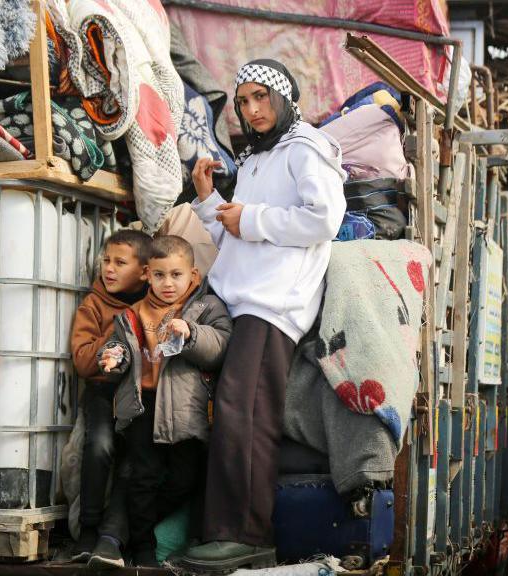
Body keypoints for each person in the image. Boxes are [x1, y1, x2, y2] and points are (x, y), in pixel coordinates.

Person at [180, 59, 346, 573]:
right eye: (243, 101)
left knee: (245, 411)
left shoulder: (306, 148)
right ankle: (224, 529)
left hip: (274, 305)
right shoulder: (256, 158)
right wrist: (211, 204)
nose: (251, 110)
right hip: (242, 299)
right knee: (229, 412)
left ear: (284, 97)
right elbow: (239, 234)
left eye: (260, 98)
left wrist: (247, 217)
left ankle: (247, 535)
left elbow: (324, 219)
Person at [94, 235, 232, 568]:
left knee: (184, 479)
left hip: (184, 408)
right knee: (143, 477)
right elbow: (122, 347)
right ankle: (142, 548)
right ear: (147, 275)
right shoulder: (133, 314)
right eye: (159, 275)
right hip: (143, 405)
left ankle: (128, 529)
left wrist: (192, 332)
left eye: (176, 275)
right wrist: (113, 357)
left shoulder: (206, 307)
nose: (167, 283)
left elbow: (221, 345)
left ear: (193, 276)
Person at [69, 230, 152, 563]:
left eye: (120, 262)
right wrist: (121, 326)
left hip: (140, 394)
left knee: (136, 460)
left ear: (144, 271)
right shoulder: (94, 304)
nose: (109, 269)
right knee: (100, 446)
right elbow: (84, 361)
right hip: (102, 390)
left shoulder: (154, 302)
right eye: (106, 261)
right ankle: (87, 530)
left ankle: (115, 536)